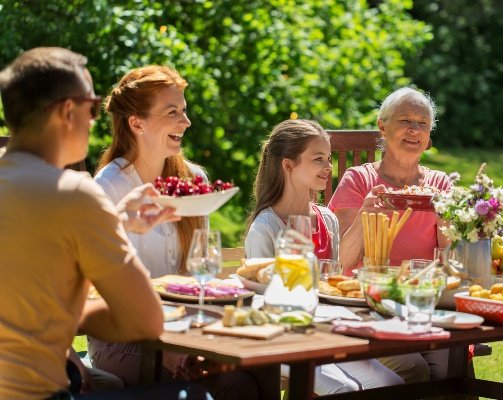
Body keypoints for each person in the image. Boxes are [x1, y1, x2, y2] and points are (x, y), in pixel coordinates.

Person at [0, 47, 210, 399]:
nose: (96, 121)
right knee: (195, 396)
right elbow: (146, 321)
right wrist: (69, 314)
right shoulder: (75, 195)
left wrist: (115, 221)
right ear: (69, 111)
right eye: (93, 109)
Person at [89, 65, 275, 399]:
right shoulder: (109, 187)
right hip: (124, 339)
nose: (186, 122)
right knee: (236, 385)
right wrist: (173, 348)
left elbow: (198, 271)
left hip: (188, 329)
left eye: (184, 111)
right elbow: (100, 290)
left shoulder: (194, 181)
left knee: (265, 369)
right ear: (136, 123)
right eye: (172, 112)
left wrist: (198, 339)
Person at [245, 118, 404, 394]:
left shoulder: (326, 219)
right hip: (283, 337)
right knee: (344, 389)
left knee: (392, 384)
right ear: (288, 164)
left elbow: (333, 284)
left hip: (327, 331)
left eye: (328, 158)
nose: (328, 167)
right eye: (318, 159)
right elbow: (262, 303)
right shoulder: (267, 227)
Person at [328, 87, 451, 383]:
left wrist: (452, 223)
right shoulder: (359, 180)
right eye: (405, 120)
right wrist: (365, 214)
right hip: (371, 302)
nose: (414, 130)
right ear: (382, 127)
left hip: (424, 302)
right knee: (417, 371)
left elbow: (451, 259)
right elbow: (343, 258)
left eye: (422, 123)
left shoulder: (440, 183)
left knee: (448, 368)